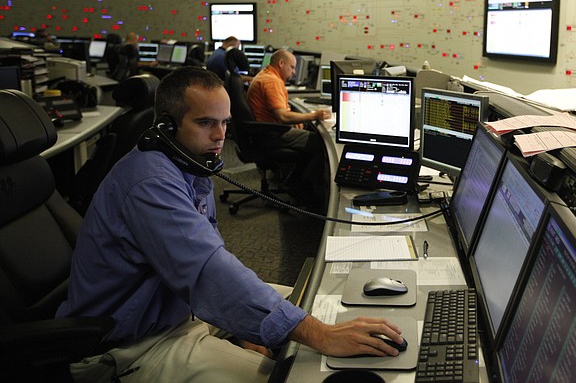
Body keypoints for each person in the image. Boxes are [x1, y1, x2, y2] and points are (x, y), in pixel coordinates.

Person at [56, 67, 404, 382]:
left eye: (225, 123)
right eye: (206, 122)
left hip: (180, 312)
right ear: (166, 124)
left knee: (318, 300)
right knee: (286, 376)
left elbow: (212, 265)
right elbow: (208, 272)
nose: (220, 136)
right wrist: (318, 335)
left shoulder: (190, 165)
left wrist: (248, 326)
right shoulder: (151, 183)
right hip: (136, 344)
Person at [246, 49, 331, 200]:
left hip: (262, 132)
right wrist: (314, 115)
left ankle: (293, 182)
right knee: (322, 145)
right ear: (281, 63)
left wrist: (297, 120)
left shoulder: (265, 75)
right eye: (292, 67)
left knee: (312, 138)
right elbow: (283, 116)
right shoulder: (272, 81)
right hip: (272, 134)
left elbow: (281, 111)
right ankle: (300, 186)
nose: (293, 72)